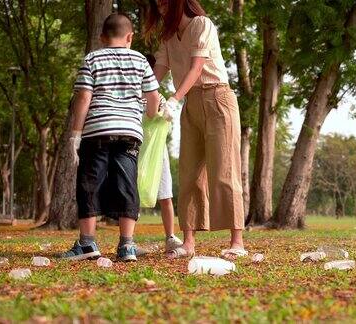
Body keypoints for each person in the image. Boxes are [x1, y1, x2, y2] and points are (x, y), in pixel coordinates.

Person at [146, 0, 247, 259]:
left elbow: (197, 67)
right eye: (157, 3)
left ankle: (237, 241)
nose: (161, 8)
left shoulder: (202, 24)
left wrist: (174, 98)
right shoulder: (168, 36)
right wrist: (142, 93)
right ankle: (189, 242)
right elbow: (159, 69)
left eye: (165, 2)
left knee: (224, 171)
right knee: (190, 173)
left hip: (217, 99)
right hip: (190, 104)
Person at [59, 13, 160, 262]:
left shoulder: (92, 58)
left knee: (89, 183)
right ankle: (127, 245)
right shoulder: (140, 60)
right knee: (127, 185)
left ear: (102, 37)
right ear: (130, 37)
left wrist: (75, 135)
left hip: (98, 131)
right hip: (129, 132)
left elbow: (83, 98)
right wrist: (148, 114)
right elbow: (154, 97)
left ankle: (87, 243)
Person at [144, 54, 183, 254]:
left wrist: (166, 113)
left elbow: (163, 120)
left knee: (165, 194)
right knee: (132, 194)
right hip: (139, 150)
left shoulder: (159, 96)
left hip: (158, 152)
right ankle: (128, 240)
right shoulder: (134, 93)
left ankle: (170, 236)